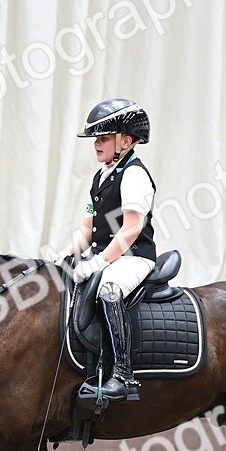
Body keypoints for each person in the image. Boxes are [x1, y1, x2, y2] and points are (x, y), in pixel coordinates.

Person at [66, 98, 157, 401]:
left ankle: (123, 375)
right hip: (108, 256)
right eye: (96, 139)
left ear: (126, 141)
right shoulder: (101, 176)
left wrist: (99, 262)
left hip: (134, 258)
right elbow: (88, 226)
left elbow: (131, 228)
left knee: (109, 289)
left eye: (103, 138)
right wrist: (66, 255)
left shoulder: (134, 175)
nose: (96, 145)